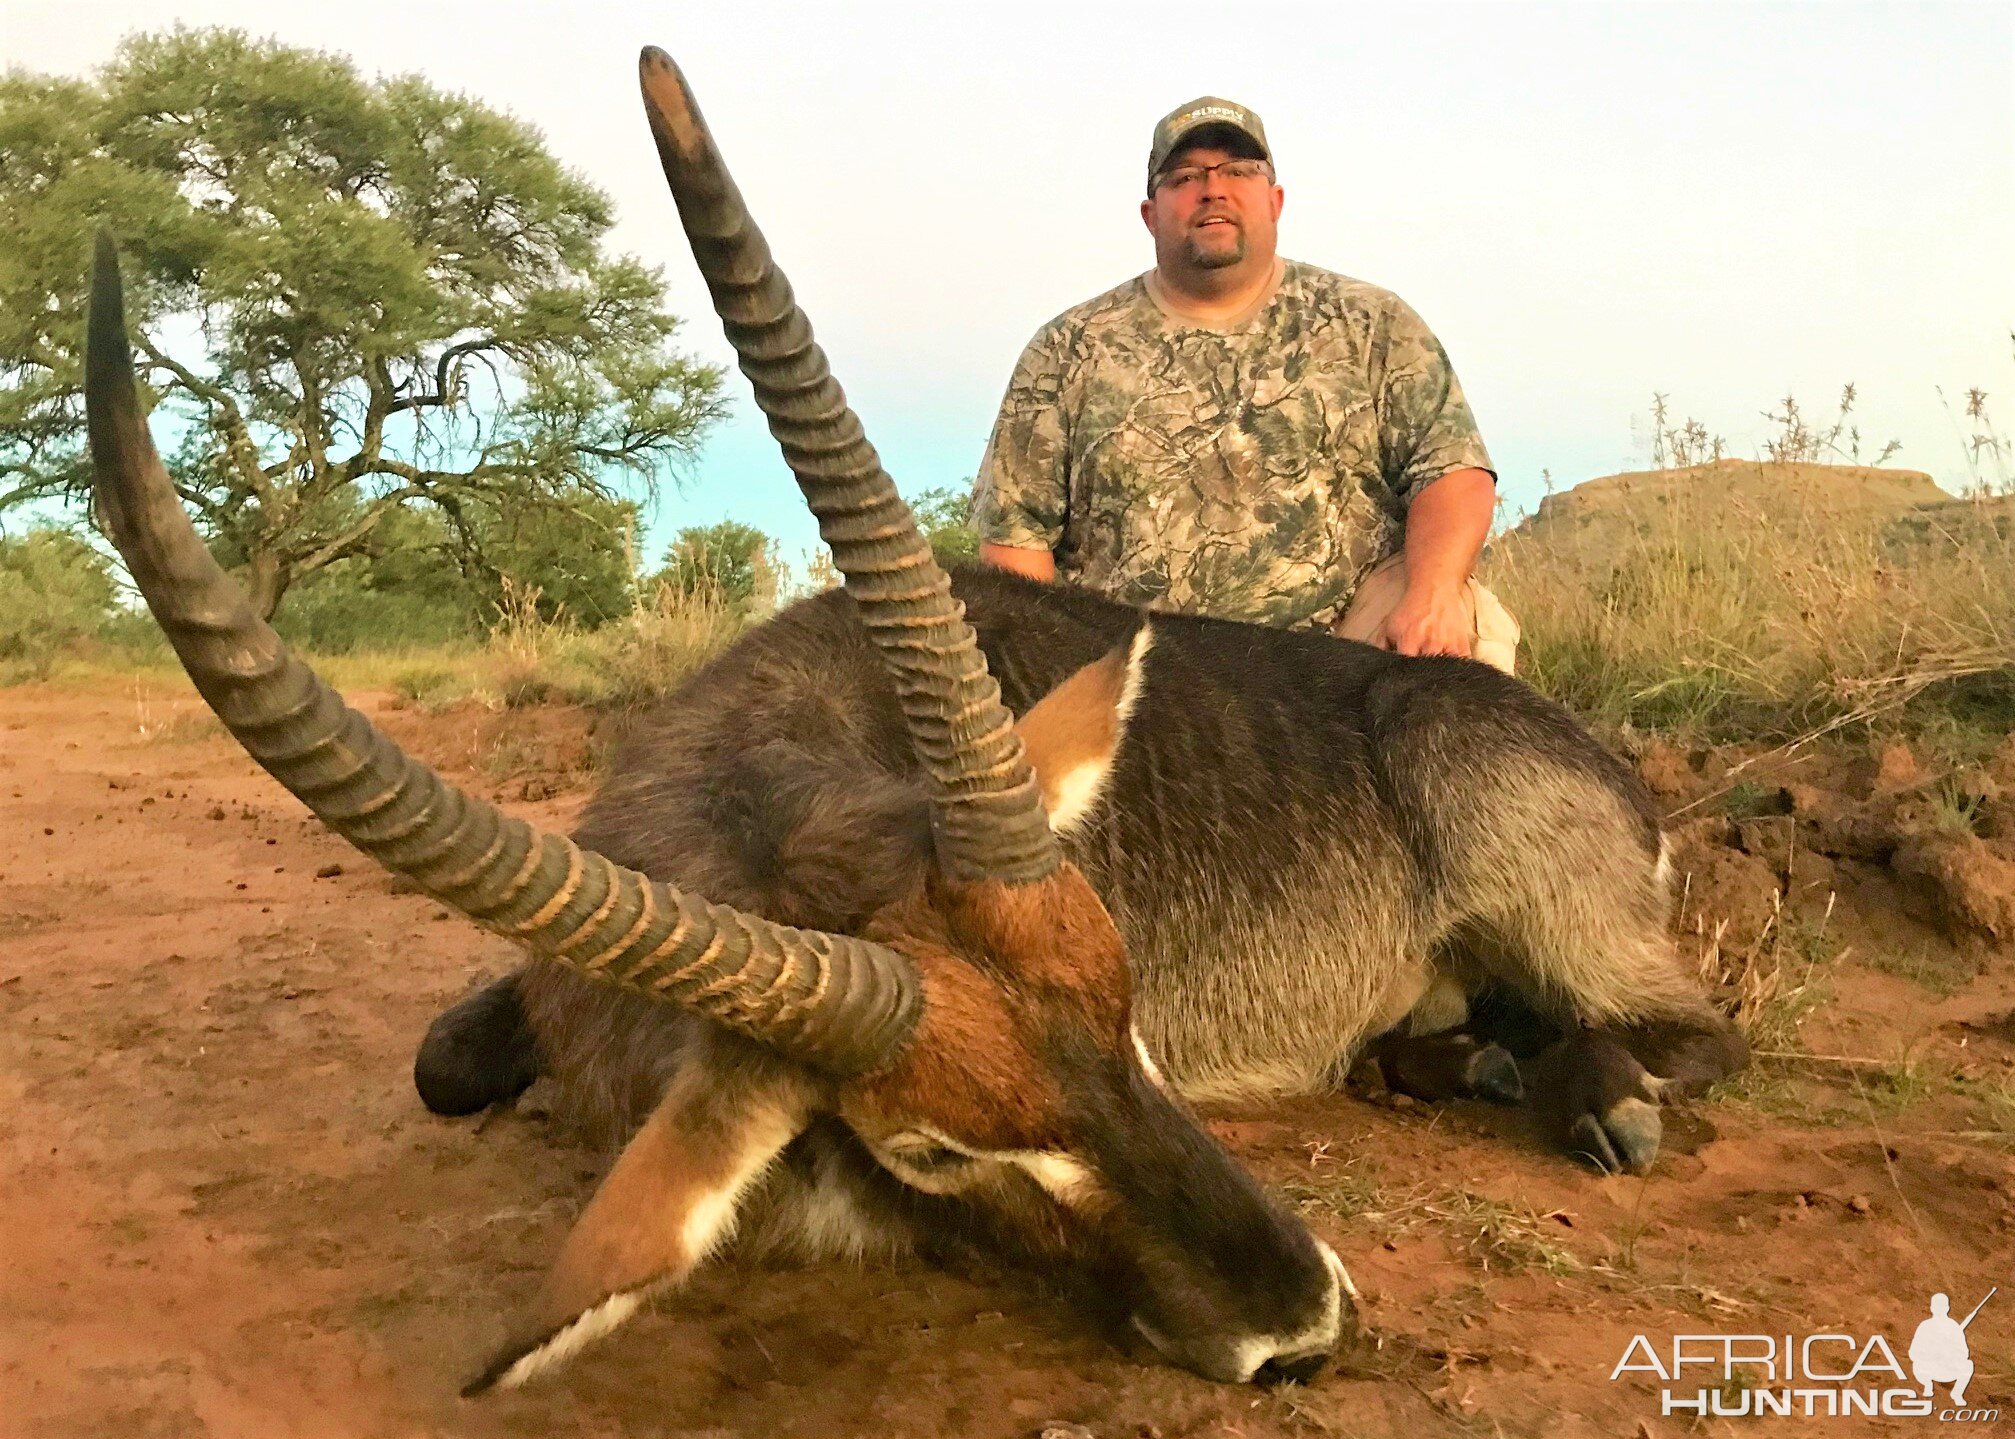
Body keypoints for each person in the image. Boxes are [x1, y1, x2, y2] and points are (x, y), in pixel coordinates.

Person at [972, 96, 1519, 672]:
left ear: (1275, 201)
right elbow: (1016, 541)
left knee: (1465, 624)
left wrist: (1431, 594)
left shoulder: (1371, 322)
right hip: (1147, 676)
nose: (1213, 189)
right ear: (1150, 213)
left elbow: (1452, 472)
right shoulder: (1067, 349)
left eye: (1238, 171)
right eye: (1184, 177)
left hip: (1350, 655)